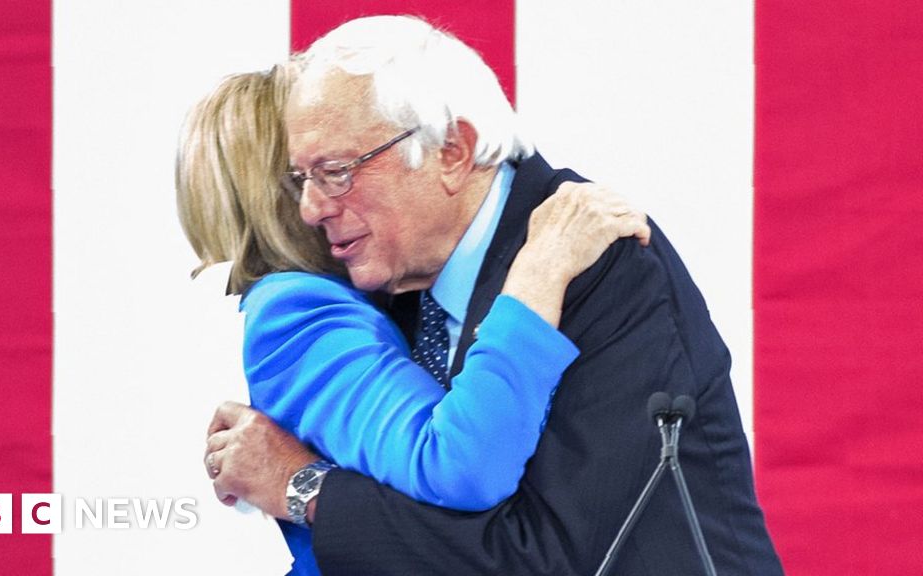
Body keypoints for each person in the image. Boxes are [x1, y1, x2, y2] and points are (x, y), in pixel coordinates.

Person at [207, 15, 785, 576]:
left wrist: (304, 488)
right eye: (302, 179)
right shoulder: (395, 274)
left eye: (337, 171)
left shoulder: (593, 260)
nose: (311, 208)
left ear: (453, 152)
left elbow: (546, 557)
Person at [177, 69, 649, 574]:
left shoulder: (371, 287)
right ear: (283, 187)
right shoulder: (297, 308)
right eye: (326, 166)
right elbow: (459, 464)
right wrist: (538, 274)